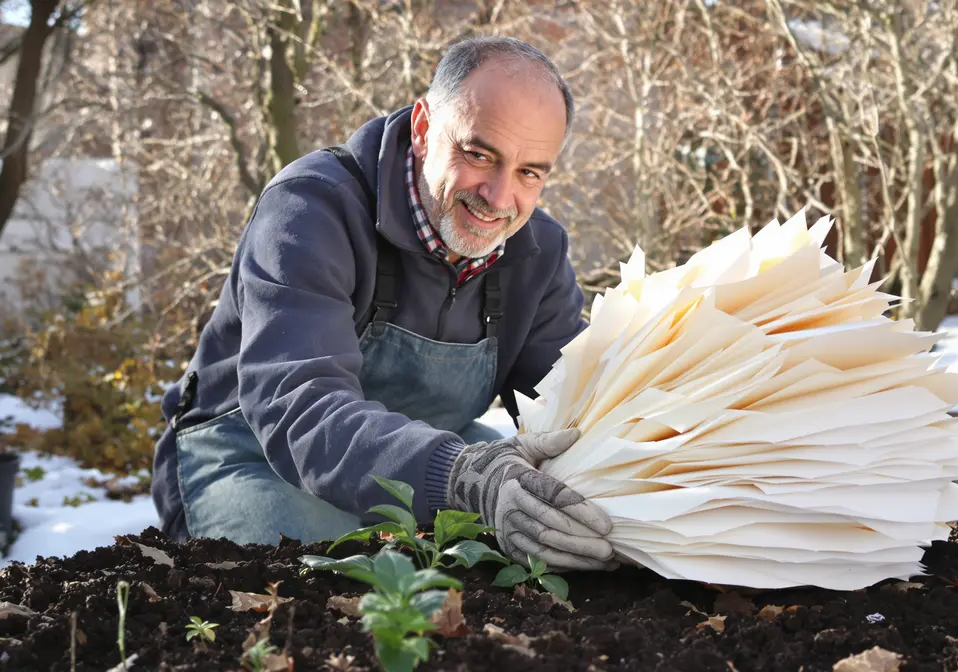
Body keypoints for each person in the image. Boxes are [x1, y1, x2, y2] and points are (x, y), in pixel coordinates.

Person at [149, 36, 618, 571]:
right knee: (345, 584)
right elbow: (299, 405)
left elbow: (575, 403)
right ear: (422, 129)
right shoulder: (310, 210)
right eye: (478, 154)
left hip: (435, 453)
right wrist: (463, 479)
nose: (498, 196)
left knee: (553, 527)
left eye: (530, 172)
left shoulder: (538, 251)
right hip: (255, 454)